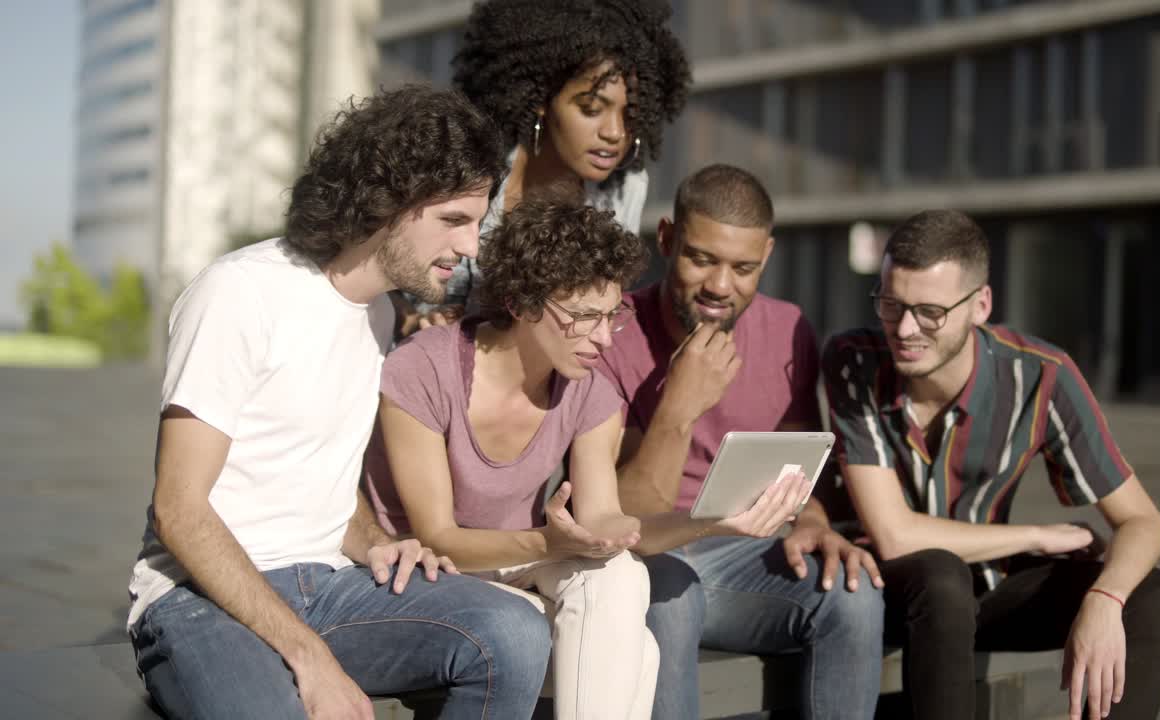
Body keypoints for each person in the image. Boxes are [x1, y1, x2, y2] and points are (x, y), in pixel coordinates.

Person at [126, 85, 552, 720]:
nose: (471, 248)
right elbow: (179, 510)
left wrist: (377, 540)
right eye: (455, 221)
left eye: (477, 223)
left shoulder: (378, 316)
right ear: (388, 202)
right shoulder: (239, 292)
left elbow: (314, 472)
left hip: (328, 587)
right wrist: (310, 657)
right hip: (198, 598)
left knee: (513, 632)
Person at [364, 200, 815, 719]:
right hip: (417, 573)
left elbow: (608, 525)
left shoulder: (590, 392)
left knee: (621, 575)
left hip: (516, 565)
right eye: (583, 317)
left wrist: (712, 521)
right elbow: (439, 537)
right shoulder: (424, 370)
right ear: (519, 301)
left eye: (611, 316)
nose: (602, 338)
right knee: (638, 652)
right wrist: (547, 542)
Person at [822, 209, 1160, 720]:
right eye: (890, 304)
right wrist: (1034, 536)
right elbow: (896, 538)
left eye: (929, 311)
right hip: (879, 595)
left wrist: (1105, 596)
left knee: (1152, 592)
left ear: (980, 305)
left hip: (985, 595)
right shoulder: (853, 360)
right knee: (941, 574)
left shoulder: (1041, 377)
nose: (903, 329)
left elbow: (1143, 521)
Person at [598, 164, 886, 720]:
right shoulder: (611, 331)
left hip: (742, 553)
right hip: (646, 555)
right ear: (665, 239)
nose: (720, 286)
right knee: (671, 594)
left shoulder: (788, 329)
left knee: (853, 594)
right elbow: (626, 517)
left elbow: (804, 477)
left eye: (744, 267)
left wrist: (813, 523)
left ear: (768, 258)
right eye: (701, 259)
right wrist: (679, 406)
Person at [393, 0, 691, 332]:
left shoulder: (624, 188)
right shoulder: (467, 164)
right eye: (591, 108)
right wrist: (408, 319)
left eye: (629, 114)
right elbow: (378, 262)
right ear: (540, 101)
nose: (615, 133)